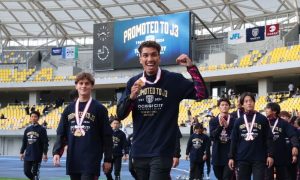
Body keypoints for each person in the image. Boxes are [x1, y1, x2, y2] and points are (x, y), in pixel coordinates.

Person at [116, 41, 208, 180]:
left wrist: (191, 67)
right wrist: (131, 97)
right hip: (140, 151)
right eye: (145, 55)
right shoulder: (133, 82)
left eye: (154, 55)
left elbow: (201, 94)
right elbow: (120, 114)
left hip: (162, 150)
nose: (150, 59)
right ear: (140, 59)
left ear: (159, 58)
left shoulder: (173, 80)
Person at [52, 72, 113, 180]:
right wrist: (57, 152)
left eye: (87, 83)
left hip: (91, 159)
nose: (83, 86)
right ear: (76, 86)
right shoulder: (68, 109)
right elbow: (61, 132)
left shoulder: (99, 108)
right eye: (81, 83)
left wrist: (108, 159)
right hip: (73, 158)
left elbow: (107, 136)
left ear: (92, 86)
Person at [228, 92, 274, 180]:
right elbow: (234, 140)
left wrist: (270, 155)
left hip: (259, 158)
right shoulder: (238, 121)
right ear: (242, 104)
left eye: (251, 101)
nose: (249, 103)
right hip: (242, 158)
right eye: (246, 101)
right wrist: (231, 157)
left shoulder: (262, 119)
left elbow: (268, 138)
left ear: (254, 102)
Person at [264, 102, 299, 180]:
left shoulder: (284, 123)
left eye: (267, 108)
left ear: (274, 111)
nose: (265, 110)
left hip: (281, 155)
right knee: (268, 177)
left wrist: (295, 146)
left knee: (282, 176)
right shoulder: (263, 122)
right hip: (267, 154)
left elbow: (293, 135)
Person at [209, 98, 235, 180]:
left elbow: (235, 137)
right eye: (222, 105)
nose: (224, 107)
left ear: (229, 107)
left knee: (226, 177)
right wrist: (220, 127)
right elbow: (213, 137)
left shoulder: (235, 121)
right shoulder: (213, 121)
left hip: (230, 155)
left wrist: (227, 127)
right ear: (219, 107)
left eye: (226, 105)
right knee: (219, 177)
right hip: (217, 154)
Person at [20, 111, 48, 180]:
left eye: (35, 116)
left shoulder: (42, 129)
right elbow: (24, 142)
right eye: (32, 116)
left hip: (37, 155)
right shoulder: (27, 129)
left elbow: (45, 142)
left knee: (35, 173)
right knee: (26, 171)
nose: (33, 118)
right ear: (30, 118)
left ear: (38, 118)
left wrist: (45, 153)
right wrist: (21, 152)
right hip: (28, 155)